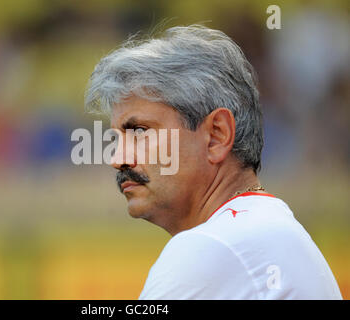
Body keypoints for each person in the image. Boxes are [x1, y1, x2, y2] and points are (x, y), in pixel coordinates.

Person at [84, 25, 342, 299]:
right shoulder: (265, 231)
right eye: (117, 140)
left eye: (139, 132)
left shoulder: (214, 246)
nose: (118, 159)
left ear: (217, 136)